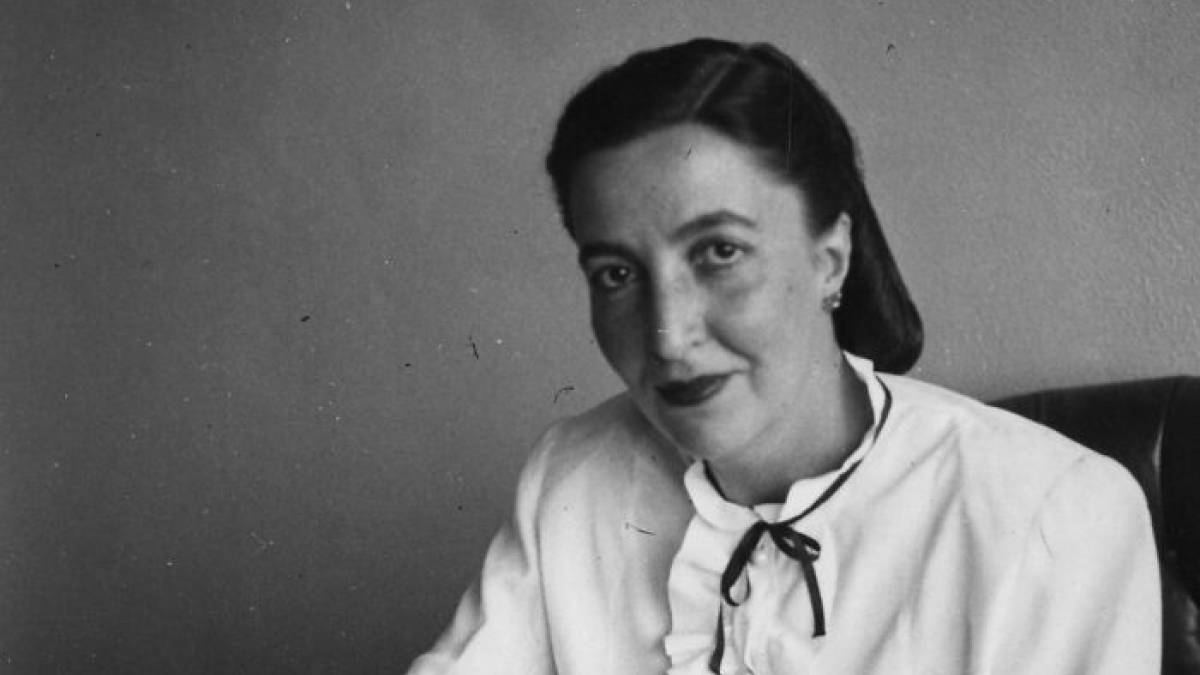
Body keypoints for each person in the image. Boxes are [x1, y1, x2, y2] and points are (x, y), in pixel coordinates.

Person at [406, 38, 1160, 674]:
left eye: (720, 252)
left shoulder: (1052, 511)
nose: (668, 335)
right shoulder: (572, 478)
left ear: (830, 260)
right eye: (616, 274)